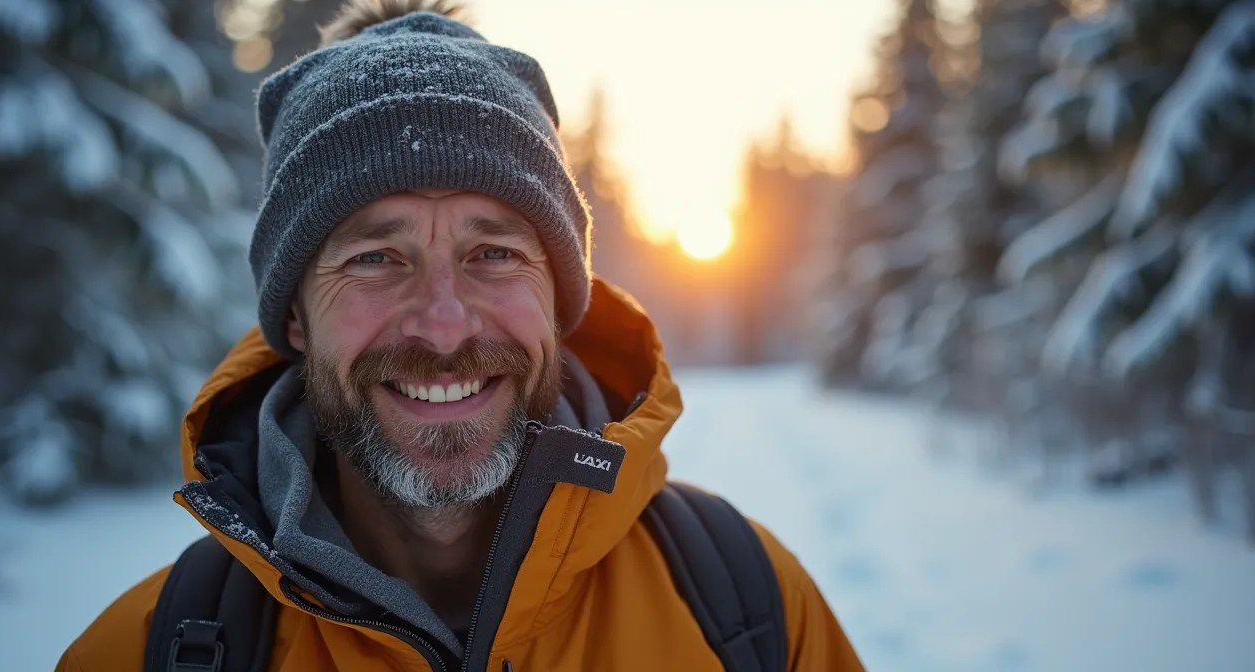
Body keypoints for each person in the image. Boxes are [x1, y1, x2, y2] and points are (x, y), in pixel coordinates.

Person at [56, 1, 863, 670]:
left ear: (559, 300)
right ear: (294, 316)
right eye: (375, 258)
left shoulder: (748, 605)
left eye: (494, 254)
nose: (444, 323)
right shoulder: (147, 650)